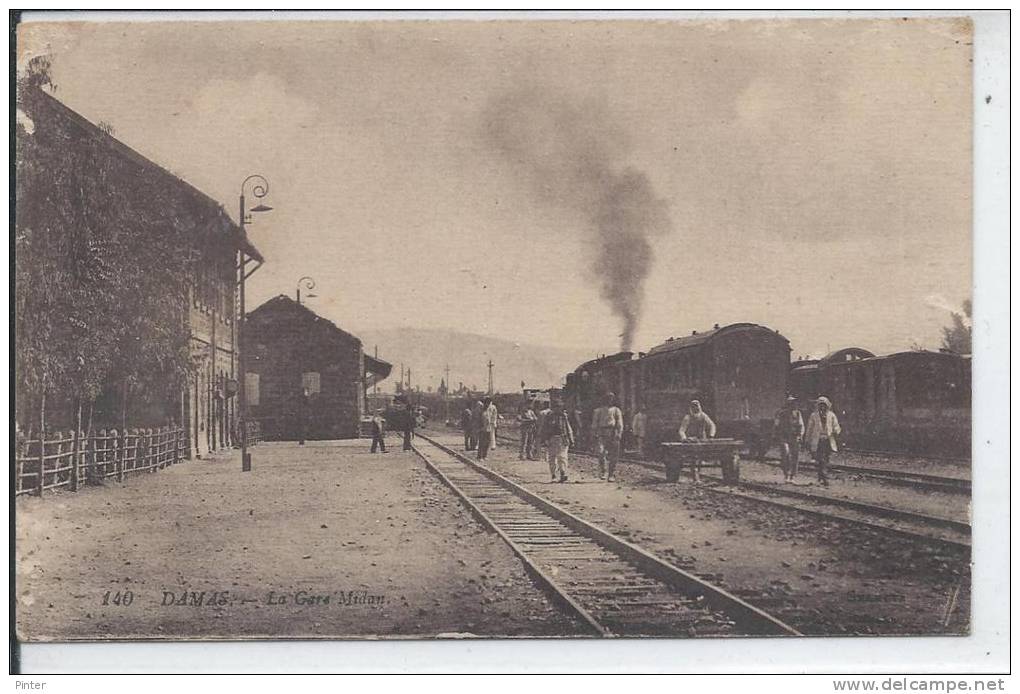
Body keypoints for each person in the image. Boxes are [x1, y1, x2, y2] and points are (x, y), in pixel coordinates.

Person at [805, 396, 841, 487]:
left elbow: (836, 425)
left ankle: (821, 477)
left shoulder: (831, 415)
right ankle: (825, 478)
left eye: (824, 405)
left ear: (827, 406)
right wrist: (807, 439)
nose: (822, 407)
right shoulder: (814, 415)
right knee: (821, 459)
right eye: (820, 405)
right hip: (818, 440)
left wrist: (836, 431)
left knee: (826, 458)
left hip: (828, 440)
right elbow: (810, 428)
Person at [679, 400, 716, 483]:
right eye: (694, 406)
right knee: (694, 458)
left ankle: (697, 476)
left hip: (702, 439)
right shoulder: (687, 417)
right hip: (691, 440)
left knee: (699, 459)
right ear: (691, 407)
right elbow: (682, 430)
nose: (696, 407)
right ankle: (696, 478)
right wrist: (684, 438)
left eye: (697, 405)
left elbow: (712, 425)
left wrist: (711, 435)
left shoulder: (703, 416)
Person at [591, 392, 624, 481]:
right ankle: (603, 471)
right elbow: (594, 423)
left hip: (613, 432)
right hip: (602, 432)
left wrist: (619, 433)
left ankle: (611, 474)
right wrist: (595, 433)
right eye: (608, 398)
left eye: (612, 399)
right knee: (601, 452)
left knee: (614, 455)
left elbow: (620, 423)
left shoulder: (616, 410)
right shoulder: (598, 410)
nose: (610, 400)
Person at [541, 398, 575, 483]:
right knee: (552, 457)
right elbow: (544, 428)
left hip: (563, 438)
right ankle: (553, 475)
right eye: (556, 407)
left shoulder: (564, 416)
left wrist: (571, 439)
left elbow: (568, 428)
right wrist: (544, 439)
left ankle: (563, 473)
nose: (558, 408)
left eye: (559, 407)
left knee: (562, 456)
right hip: (552, 438)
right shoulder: (549, 416)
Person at [774, 396, 805, 482]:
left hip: (794, 436)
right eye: (791, 404)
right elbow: (776, 424)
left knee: (795, 456)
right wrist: (776, 435)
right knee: (785, 453)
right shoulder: (781, 413)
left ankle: (792, 476)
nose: (793, 405)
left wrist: (800, 435)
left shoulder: (798, 413)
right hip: (784, 436)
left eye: (794, 404)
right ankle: (786, 474)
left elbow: (801, 425)